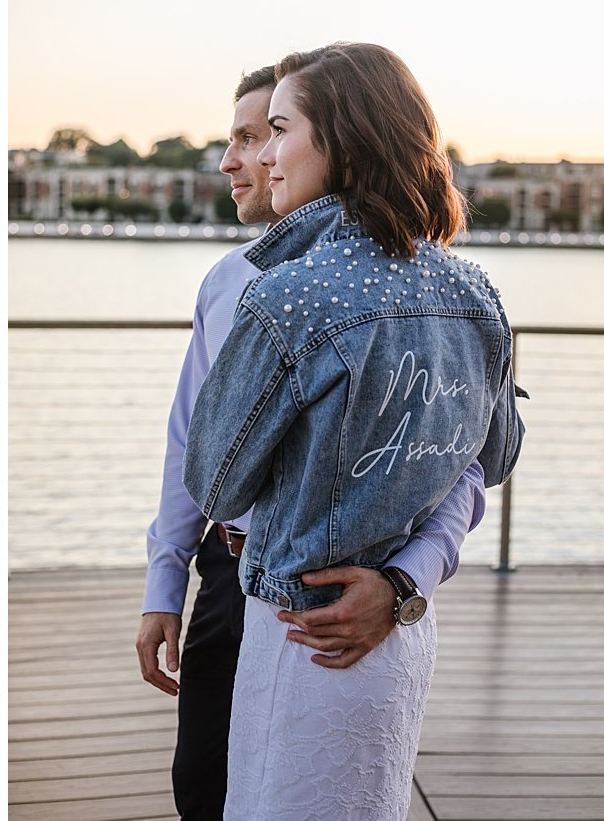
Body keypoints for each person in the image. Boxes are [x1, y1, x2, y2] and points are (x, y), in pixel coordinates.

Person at [182, 43, 524, 819]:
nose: (265, 155)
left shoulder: (292, 293)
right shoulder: (475, 291)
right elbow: (494, 457)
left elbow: (215, 479)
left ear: (339, 138)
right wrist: (405, 574)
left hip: (302, 630)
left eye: (279, 128)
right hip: (398, 637)